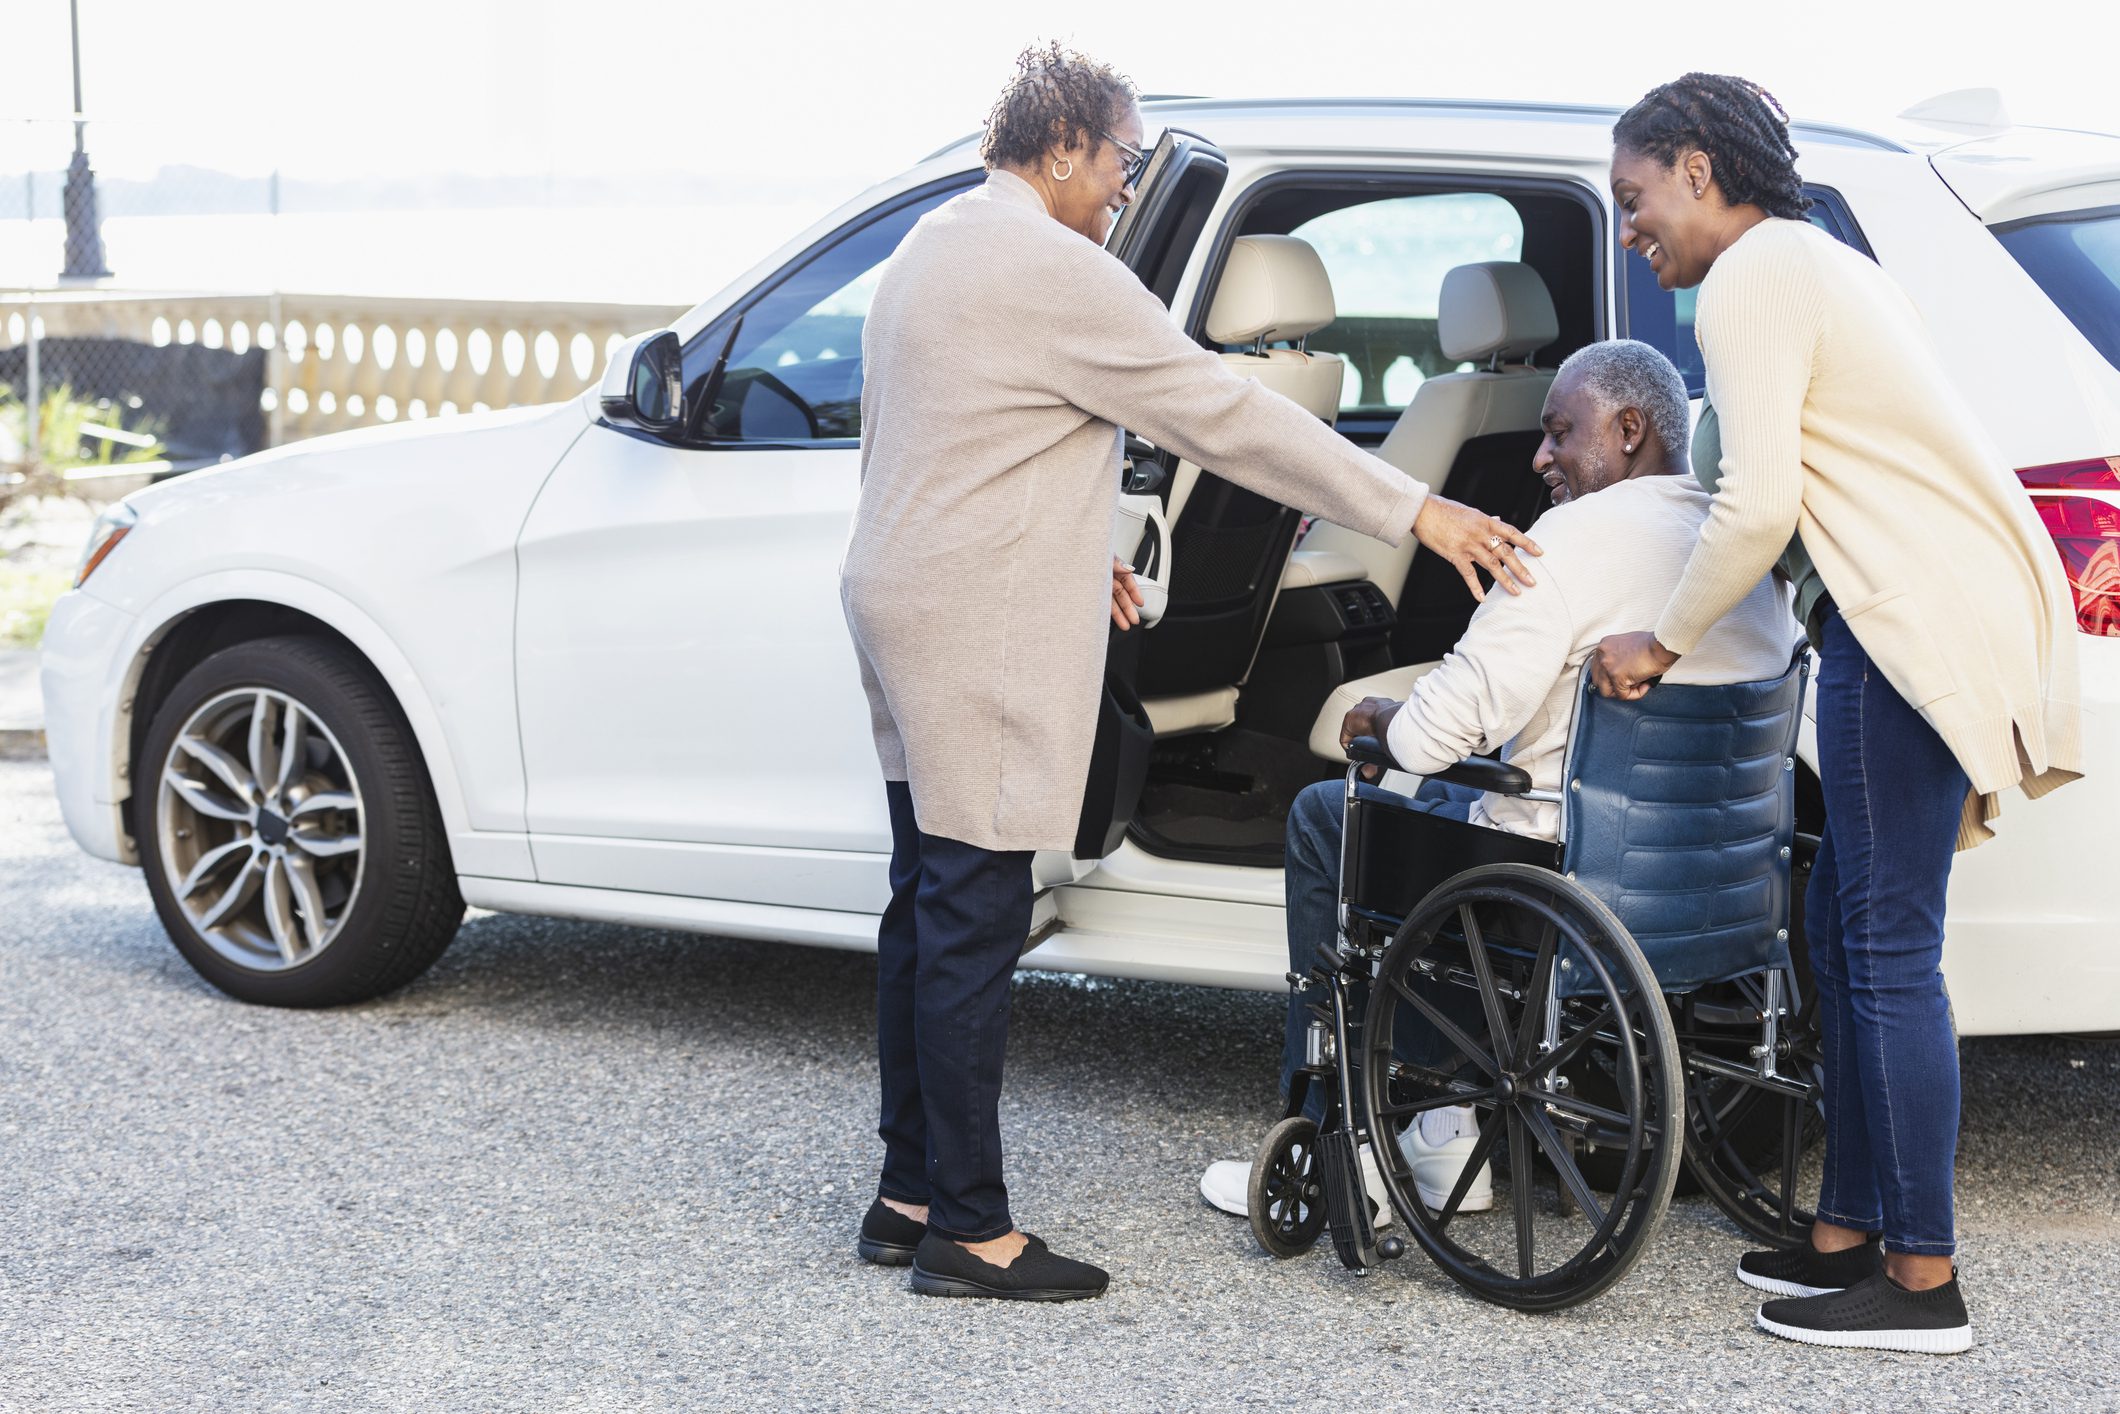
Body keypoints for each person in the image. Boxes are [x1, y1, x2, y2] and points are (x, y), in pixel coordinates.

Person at [840, 42, 1541, 1303]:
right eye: (1118, 158)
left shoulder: (934, 244)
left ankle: (904, 1195)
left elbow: (950, 443)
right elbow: (1222, 412)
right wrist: (1415, 511)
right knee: (973, 919)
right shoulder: (1055, 267)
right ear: (1060, 146)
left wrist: (1068, 559)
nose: (1124, 186)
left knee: (924, 900)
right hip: (975, 621)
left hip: (901, 599)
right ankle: (971, 1230)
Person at [1588, 73, 2083, 1355]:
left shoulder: (1753, 274)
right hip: (1920, 612)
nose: (1629, 231)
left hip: (1902, 625)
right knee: (1842, 925)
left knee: (1883, 948)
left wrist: (1661, 638)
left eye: (1635, 199)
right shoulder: (1818, 260)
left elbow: (1756, 503)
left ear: (1698, 170)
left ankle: (1919, 1282)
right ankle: (1844, 1231)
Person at [1198, 338, 1794, 1220]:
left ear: (1630, 430)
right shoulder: (1742, 549)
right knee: (1449, 804)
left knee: (1336, 812)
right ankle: (1439, 1134)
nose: (1539, 457)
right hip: (1718, 883)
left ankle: (1341, 1140)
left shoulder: (1574, 540)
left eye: (1560, 433)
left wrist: (1381, 721)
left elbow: (1445, 724)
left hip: (1562, 877)